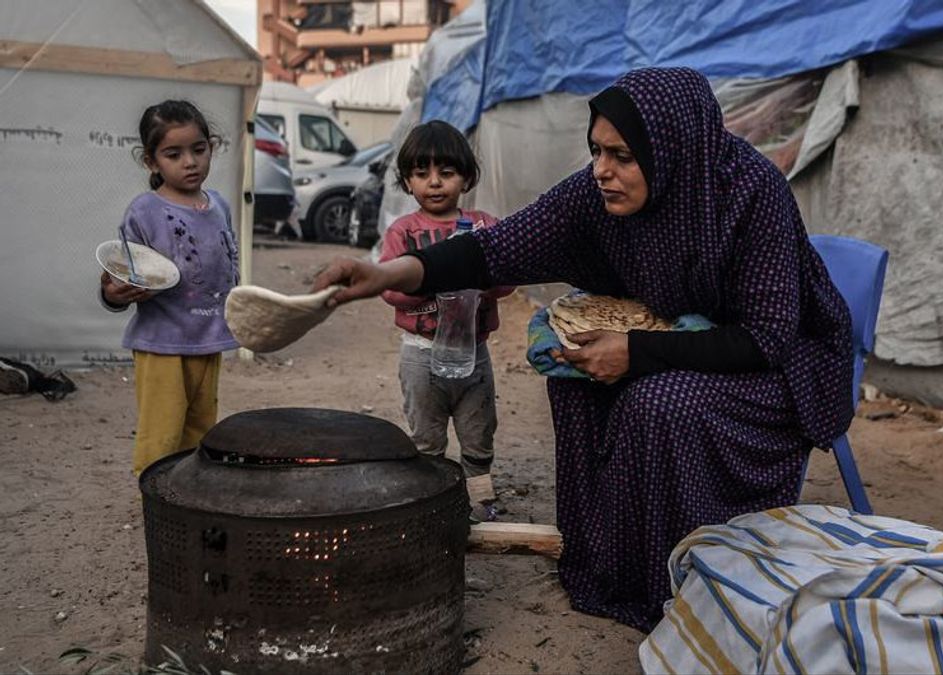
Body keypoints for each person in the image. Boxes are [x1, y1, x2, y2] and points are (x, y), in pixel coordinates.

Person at [313, 68, 854, 631]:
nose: (601, 170)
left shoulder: (749, 193)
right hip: (678, 341)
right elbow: (495, 248)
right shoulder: (593, 197)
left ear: (669, 149)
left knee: (657, 403)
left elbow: (767, 336)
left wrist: (635, 354)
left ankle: (682, 580)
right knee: (576, 380)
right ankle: (609, 568)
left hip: (780, 365)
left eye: (621, 155)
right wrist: (385, 273)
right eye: (596, 150)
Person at [379, 120, 513, 522]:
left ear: (467, 178)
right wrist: (433, 281)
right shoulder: (403, 232)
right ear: (407, 182)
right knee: (426, 438)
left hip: (474, 353)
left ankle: (480, 502)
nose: (434, 183)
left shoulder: (484, 227)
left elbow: (508, 277)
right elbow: (389, 289)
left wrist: (481, 281)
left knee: (478, 433)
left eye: (447, 173)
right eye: (422, 174)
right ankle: (432, 505)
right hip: (421, 357)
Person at [100, 100, 239, 475]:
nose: (190, 162)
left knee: (199, 427)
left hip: (209, 337)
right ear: (151, 161)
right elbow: (119, 272)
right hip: (161, 343)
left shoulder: (220, 206)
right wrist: (114, 294)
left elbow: (229, 264)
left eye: (199, 149)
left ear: (212, 146)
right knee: (161, 431)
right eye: (173, 154)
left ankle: (187, 492)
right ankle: (155, 494)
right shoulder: (144, 211)